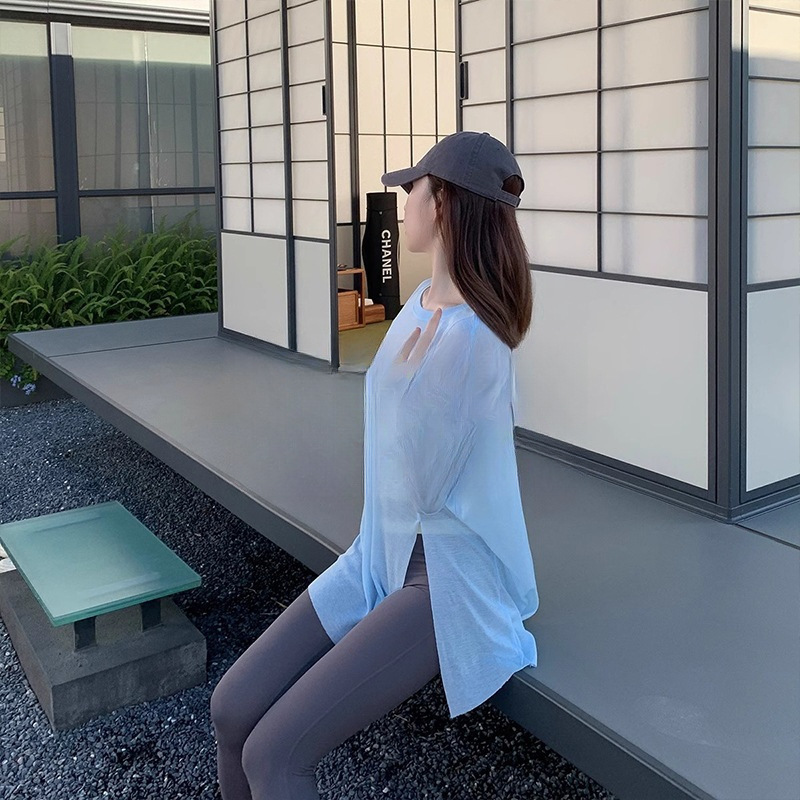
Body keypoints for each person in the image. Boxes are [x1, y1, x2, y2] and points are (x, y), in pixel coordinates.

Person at [210, 130, 540, 800]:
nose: (401, 200)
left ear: (441, 203)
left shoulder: (475, 343)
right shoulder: (417, 306)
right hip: (380, 547)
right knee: (231, 707)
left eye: (412, 187)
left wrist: (422, 383)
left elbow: (422, 480)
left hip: (442, 575)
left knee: (274, 755)